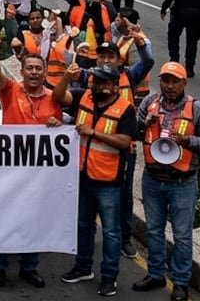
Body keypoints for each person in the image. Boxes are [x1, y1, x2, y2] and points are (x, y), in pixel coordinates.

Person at [131, 63, 200, 301]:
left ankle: (180, 282)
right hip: (152, 179)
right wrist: (143, 124)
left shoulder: (197, 109)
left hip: (183, 182)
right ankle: (156, 274)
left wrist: (188, 141)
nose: (169, 86)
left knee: (182, 236)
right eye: (165, 80)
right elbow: (132, 133)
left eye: (175, 81)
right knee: (153, 231)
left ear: (184, 83)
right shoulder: (149, 103)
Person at [0, 35, 59, 288]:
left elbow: (62, 130)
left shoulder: (54, 98)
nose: (34, 72)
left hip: (37, 176)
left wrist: (57, 124)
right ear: (22, 72)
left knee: (32, 222)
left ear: (44, 73)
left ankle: (29, 267)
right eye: (29, 68)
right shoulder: (11, 90)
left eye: (38, 68)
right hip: (8, 173)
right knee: (4, 219)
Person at [57, 64, 137, 297]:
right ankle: (83, 267)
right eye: (96, 81)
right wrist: (66, 77)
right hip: (83, 176)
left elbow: (125, 141)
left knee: (111, 232)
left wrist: (94, 133)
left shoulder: (126, 109)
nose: (98, 86)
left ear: (115, 86)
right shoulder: (84, 97)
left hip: (108, 181)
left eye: (104, 83)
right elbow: (59, 97)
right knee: (83, 225)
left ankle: (109, 277)